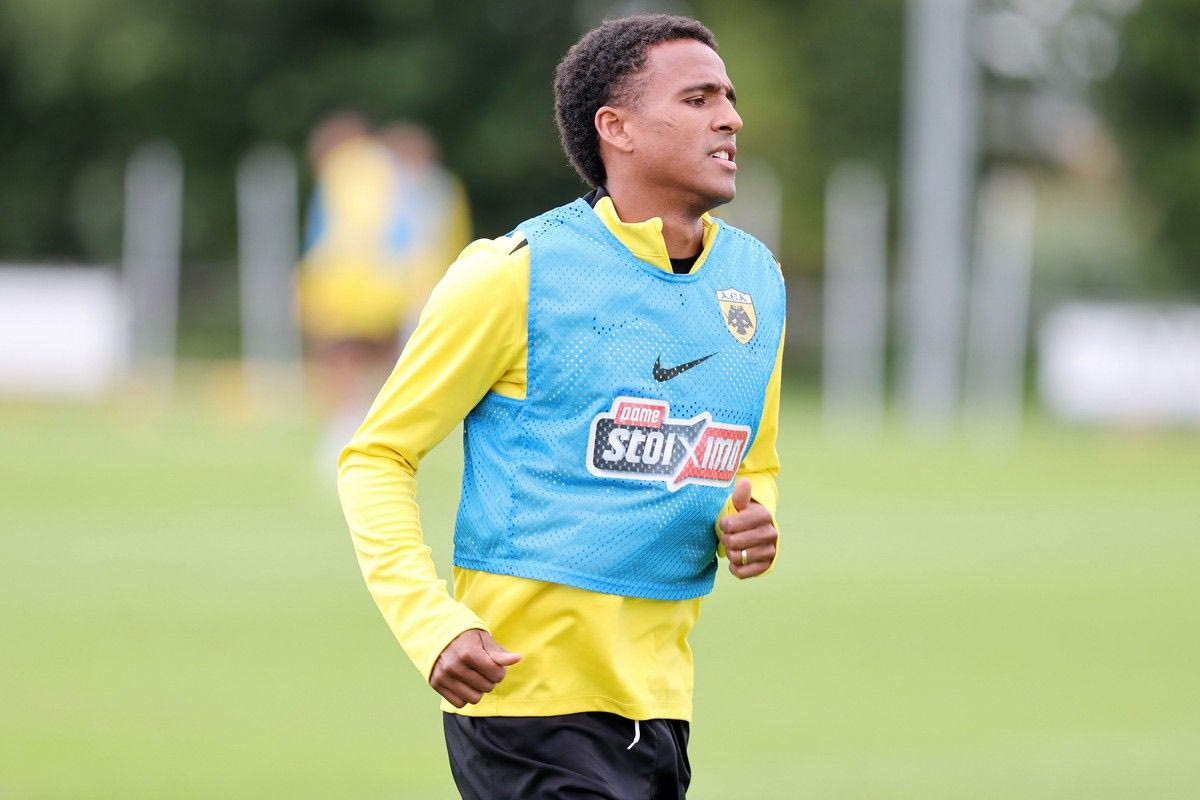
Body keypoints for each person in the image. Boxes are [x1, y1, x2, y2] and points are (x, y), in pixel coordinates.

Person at [338, 14, 785, 799]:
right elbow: (376, 456)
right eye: (698, 98)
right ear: (617, 128)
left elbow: (753, 462)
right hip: (528, 708)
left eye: (729, 98)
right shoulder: (515, 273)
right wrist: (431, 623)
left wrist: (751, 522)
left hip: (661, 709)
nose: (730, 118)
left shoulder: (755, 284)